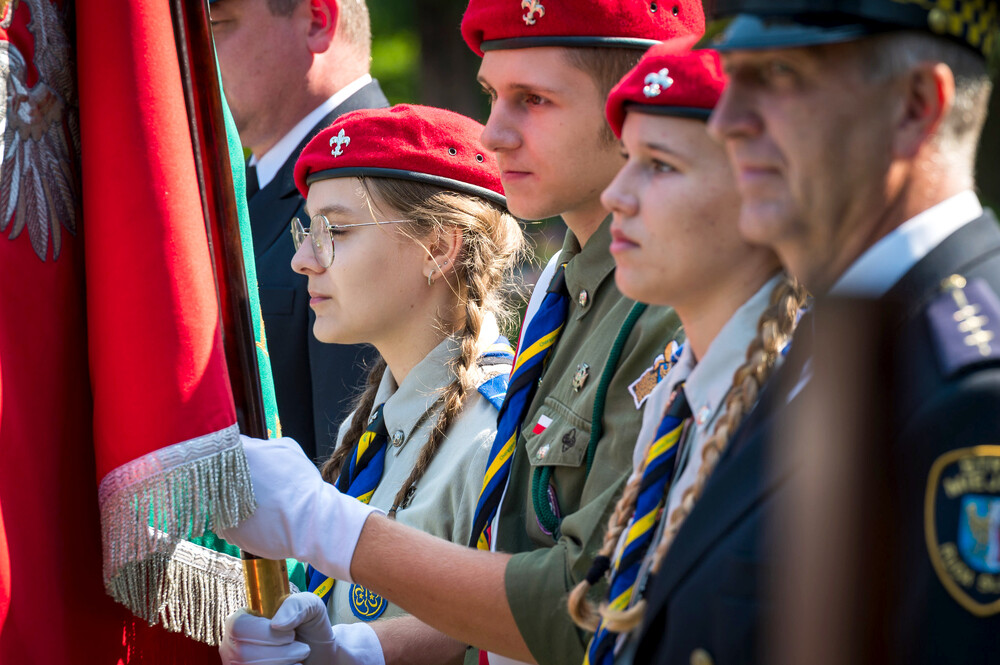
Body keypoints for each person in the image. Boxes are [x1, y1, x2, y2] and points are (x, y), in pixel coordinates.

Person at [218, 3, 704, 665]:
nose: (496, 132)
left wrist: (326, 525)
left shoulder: (668, 305)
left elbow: (588, 604)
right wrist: (356, 652)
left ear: (629, 111)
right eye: (492, 96)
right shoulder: (566, 291)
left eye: (533, 98)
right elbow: (505, 571)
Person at [633, 1, 1000, 663]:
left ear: (915, 105)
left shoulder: (973, 396)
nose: (726, 122)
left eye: (776, 74)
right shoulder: (848, 331)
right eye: (731, 75)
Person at [220, 104, 525, 665]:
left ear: (439, 247)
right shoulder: (373, 424)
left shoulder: (498, 436)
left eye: (334, 231)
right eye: (304, 230)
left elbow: (515, 630)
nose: (303, 260)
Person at [561, 41, 806, 665]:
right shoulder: (679, 389)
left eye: (660, 165)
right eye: (626, 159)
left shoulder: (812, 406)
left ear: (766, 190)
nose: (617, 194)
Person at [210, 0, 389, 460]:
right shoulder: (246, 182)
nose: (198, 53)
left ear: (316, 21)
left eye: (215, 24)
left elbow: (349, 473)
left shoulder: (381, 191)